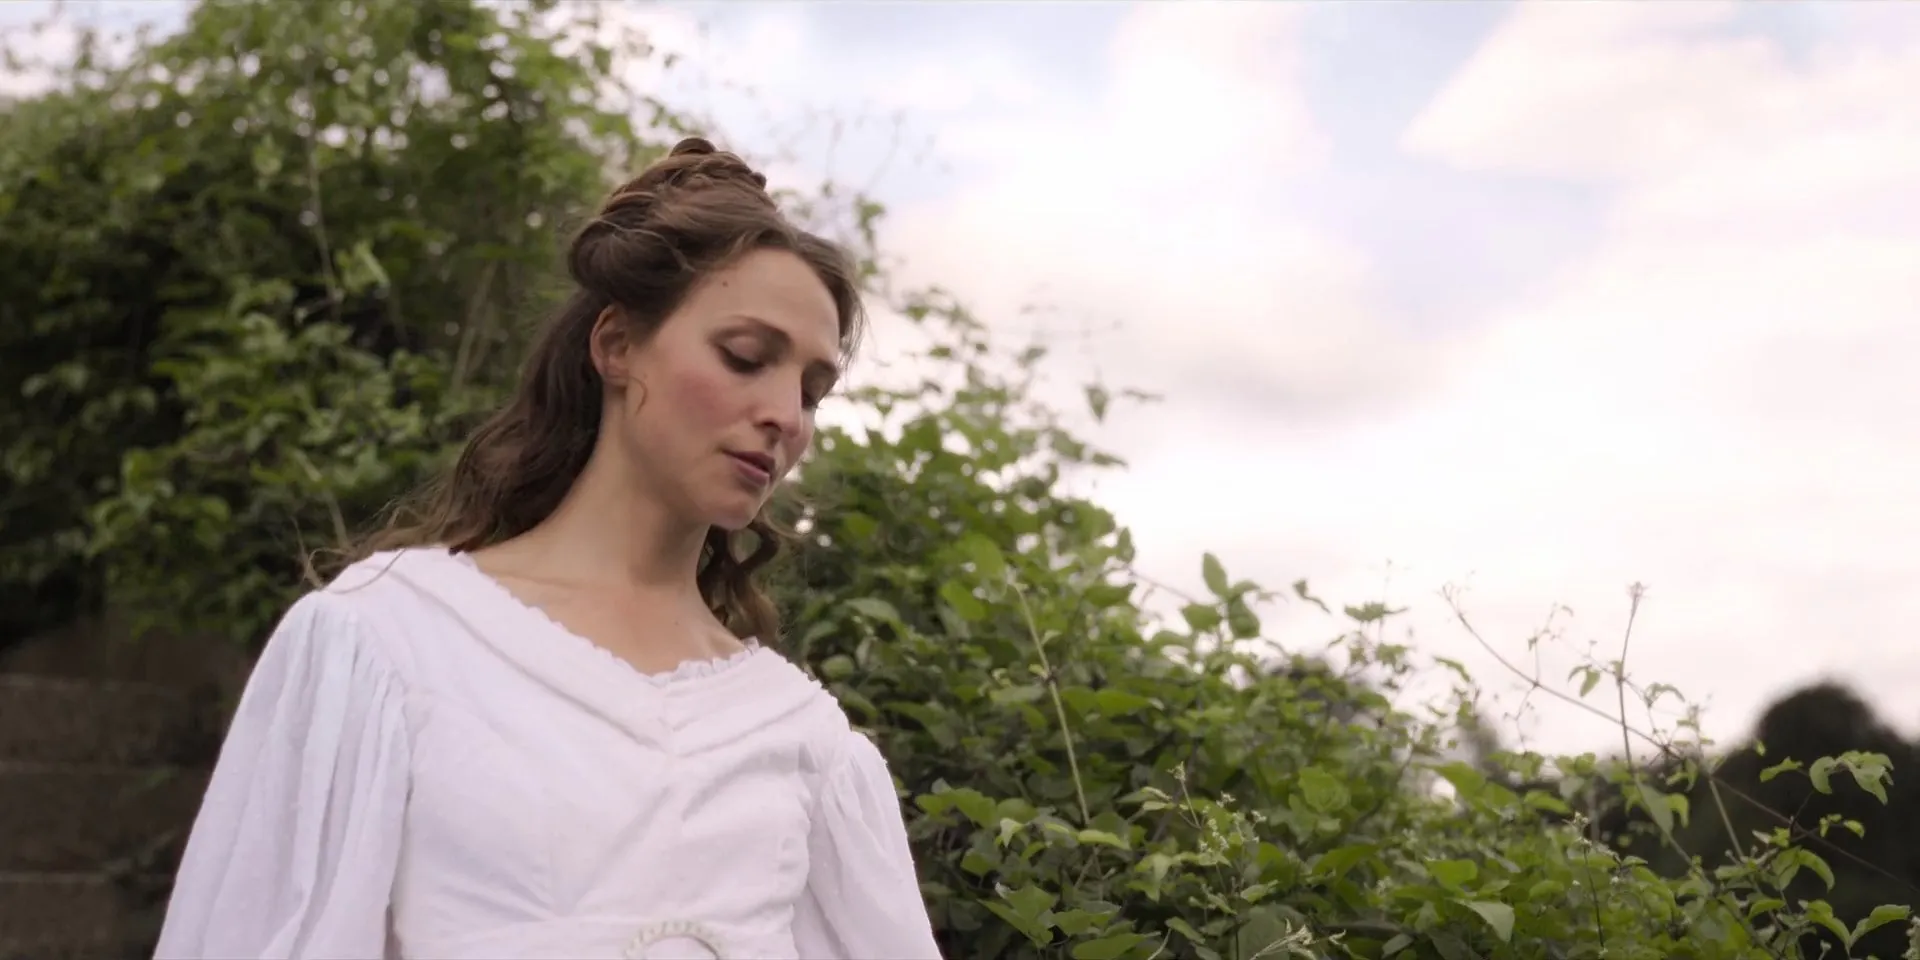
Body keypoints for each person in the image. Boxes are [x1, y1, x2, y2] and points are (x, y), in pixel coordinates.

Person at [153, 138, 944, 960]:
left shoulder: (800, 736)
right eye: (745, 358)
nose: (785, 414)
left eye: (812, 392)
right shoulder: (393, 640)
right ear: (617, 345)